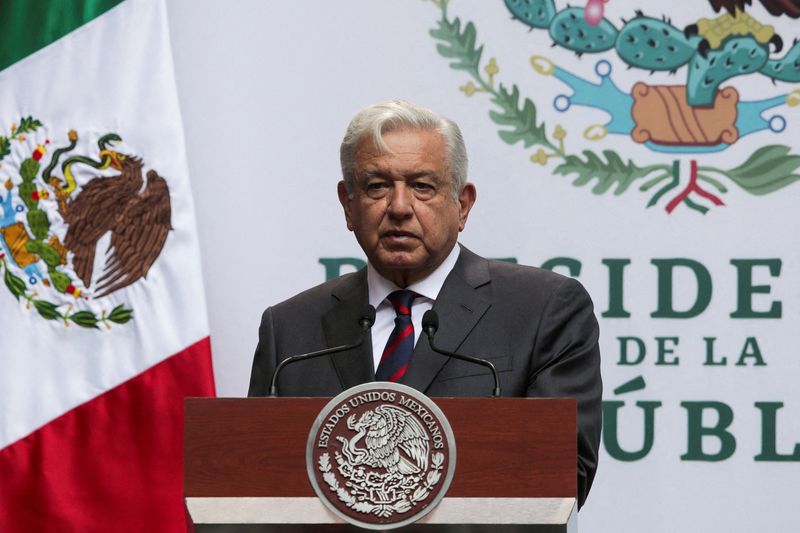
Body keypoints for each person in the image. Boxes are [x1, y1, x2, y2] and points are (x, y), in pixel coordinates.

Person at [248, 100, 602, 507]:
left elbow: (562, 476)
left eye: (422, 186)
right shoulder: (290, 329)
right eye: (377, 186)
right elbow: (257, 487)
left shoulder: (542, 311)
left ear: (462, 204)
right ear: (348, 204)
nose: (399, 208)